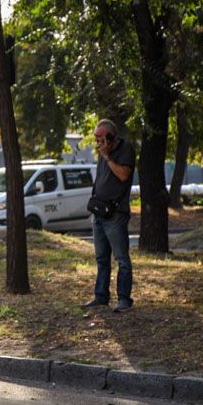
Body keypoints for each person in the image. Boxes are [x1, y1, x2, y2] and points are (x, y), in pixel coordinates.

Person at [84, 119, 135, 313]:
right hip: (99, 211)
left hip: (116, 213)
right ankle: (101, 296)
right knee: (101, 258)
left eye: (100, 137)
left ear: (111, 136)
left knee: (121, 258)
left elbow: (123, 175)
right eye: (96, 137)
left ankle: (124, 299)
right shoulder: (101, 153)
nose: (97, 141)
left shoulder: (125, 150)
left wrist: (107, 157)